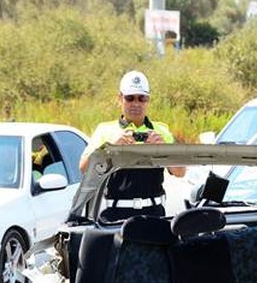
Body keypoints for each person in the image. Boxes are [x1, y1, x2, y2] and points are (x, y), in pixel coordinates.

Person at [79, 70, 185, 220]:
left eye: (142, 98)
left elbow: (180, 172)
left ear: (148, 100)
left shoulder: (161, 130)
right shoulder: (105, 130)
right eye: (130, 98)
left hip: (153, 214)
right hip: (115, 216)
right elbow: (83, 168)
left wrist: (163, 149)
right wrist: (110, 147)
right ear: (120, 98)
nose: (136, 104)